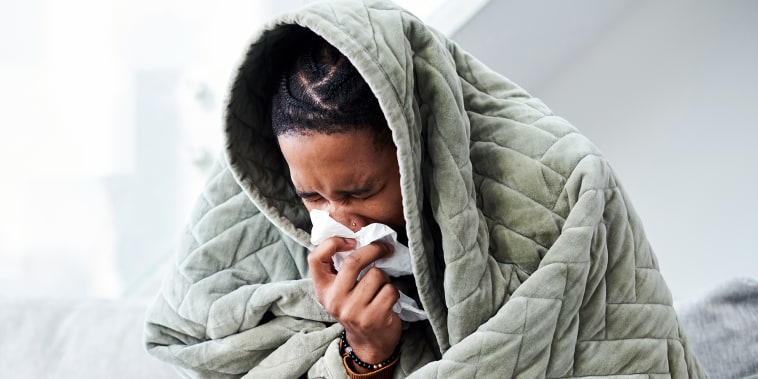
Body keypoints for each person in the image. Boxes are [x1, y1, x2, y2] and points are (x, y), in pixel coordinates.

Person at [144, 1, 707, 378]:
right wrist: (362, 351)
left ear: (418, 152)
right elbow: (192, 336)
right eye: (312, 198)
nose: (339, 224)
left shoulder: (565, 187)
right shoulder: (260, 206)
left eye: (360, 190)